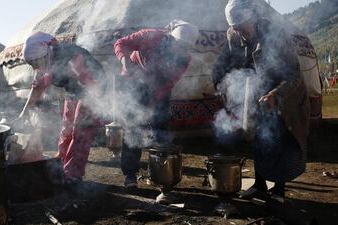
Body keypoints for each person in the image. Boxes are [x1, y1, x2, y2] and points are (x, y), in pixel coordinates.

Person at [212, 0, 310, 201]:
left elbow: (293, 75)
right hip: (254, 92)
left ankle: (279, 190)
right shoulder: (233, 34)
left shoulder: (275, 35)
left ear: (252, 18)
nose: (238, 32)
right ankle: (260, 185)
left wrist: (275, 95)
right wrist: (219, 83)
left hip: (282, 93)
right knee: (258, 139)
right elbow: (222, 62)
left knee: (277, 138)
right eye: (234, 28)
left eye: (241, 27)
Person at [114, 20, 199, 189]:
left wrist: (154, 102)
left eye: (185, 47)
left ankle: (161, 175)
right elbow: (120, 43)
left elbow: (169, 83)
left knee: (160, 127)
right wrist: (125, 62)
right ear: (171, 38)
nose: (180, 50)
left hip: (159, 87)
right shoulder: (151, 36)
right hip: (134, 80)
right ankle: (130, 174)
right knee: (134, 128)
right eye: (179, 45)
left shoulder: (184, 59)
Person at [18, 31, 107, 186]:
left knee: (80, 130)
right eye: (31, 64)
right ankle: (61, 160)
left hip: (92, 88)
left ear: (44, 55)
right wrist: (24, 111)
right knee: (66, 129)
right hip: (74, 91)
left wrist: (95, 106)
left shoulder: (71, 56)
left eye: (35, 63)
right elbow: (38, 86)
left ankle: (73, 174)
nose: (35, 67)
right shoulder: (44, 59)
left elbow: (88, 82)